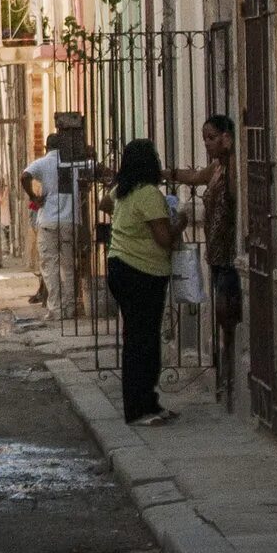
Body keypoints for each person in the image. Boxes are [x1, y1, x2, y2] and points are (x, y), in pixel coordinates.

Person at [161, 116, 239, 399]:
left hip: (230, 254)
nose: (206, 143)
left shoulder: (232, 169)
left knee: (227, 317)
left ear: (226, 138)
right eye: (204, 137)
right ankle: (224, 378)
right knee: (221, 317)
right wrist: (165, 173)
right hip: (215, 253)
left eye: (212, 137)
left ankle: (230, 380)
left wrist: (231, 156)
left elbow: (233, 198)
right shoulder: (216, 168)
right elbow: (193, 178)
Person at [104, 137, 179, 425]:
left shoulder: (122, 191)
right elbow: (164, 240)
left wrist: (127, 222)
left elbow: (103, 204)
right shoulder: (148, 194)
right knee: (141, 341)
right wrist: (179, 222)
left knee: (139, 339)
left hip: (120, 265)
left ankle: (148, 402)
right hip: (142, 272)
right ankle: (138, 409)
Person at [19, 114, 96, 311]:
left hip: (48, 221)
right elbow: (97, 167)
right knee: (68, 265)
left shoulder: (43, 163)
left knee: (50, 265)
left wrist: (33, 197)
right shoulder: (74, 162)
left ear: (47, 148)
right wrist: (90, 154)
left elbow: (25, 176)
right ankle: (70, 307)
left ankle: (56, 308)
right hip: (70, 220)